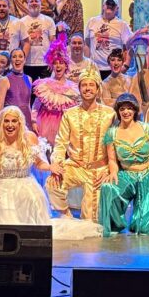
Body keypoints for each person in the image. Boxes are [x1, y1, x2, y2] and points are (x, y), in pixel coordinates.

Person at [0, 105, 104, 239]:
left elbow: (38, 163)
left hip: (25, 183)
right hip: (3, 185)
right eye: (6, 121)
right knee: (7, 221)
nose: (10, 125)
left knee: (32, 199)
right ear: (1, 123)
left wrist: (50, 167)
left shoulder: (29, 138)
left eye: (14, 121)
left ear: (20, 123)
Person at [46, 70, 116, 221]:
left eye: (91, 85)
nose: (87, 88)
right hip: (75, 166)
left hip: (99, 170)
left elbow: (115, 146)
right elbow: (60, 143)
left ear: (97, 89)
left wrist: (110, 169)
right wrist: (56, 163)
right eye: (84, 85)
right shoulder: (69, 114)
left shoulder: (109, 114)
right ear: (79, 88)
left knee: (91, 221)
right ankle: (67, 216)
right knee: (52, 182)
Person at [99, 94, 149, 236]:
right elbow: (112, 160)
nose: (126, 112)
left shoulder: (147, 129)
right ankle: (115, 225)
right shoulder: (112, 133)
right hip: (127, 175)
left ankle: (140, 220)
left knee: (144, 228)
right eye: (122, 109)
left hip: (148, 176)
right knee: (108, 188)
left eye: (129, 108)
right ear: (118, 111)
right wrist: (113, 172)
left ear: (135, 110)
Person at [31, 37, 80, 145]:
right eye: (55, 63)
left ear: (66, 66)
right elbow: (36, 106)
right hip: (44, 123)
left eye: (61, 63)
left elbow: (76, 110)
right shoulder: (44, 85)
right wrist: (33, 121)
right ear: (52, 65)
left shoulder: (72, 88)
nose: (58, 66)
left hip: (63, 125)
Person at [86, 0, 132, 78]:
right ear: (103, 6)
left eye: (113, 5)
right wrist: (86, 64)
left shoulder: (122, 25)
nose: (110, 6)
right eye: (108, 4)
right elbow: (86, 44)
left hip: (114, 69)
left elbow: (130, 46)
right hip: (94, 69)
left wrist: (126, 65)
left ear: (117, 8)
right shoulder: (92, 21)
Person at [18, 0, 57, 80]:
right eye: (31, 1)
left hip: (45, 64)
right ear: (27, 4)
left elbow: (53, 42)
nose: (34, 3)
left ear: (40, 4)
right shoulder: (21, 22)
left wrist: (53, 60)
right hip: (27, 64)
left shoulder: (49, 20)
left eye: (36, 1)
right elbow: (19, 43)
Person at [0, 48, 35, 131]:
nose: (17, 59)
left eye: (20, 56)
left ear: (24, 60)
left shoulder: (29, 79)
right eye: (14, 57)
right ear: (11, 61)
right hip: (12, 122)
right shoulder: (4, 80)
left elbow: (28, 104)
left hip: (26, 121)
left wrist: (32, 122)